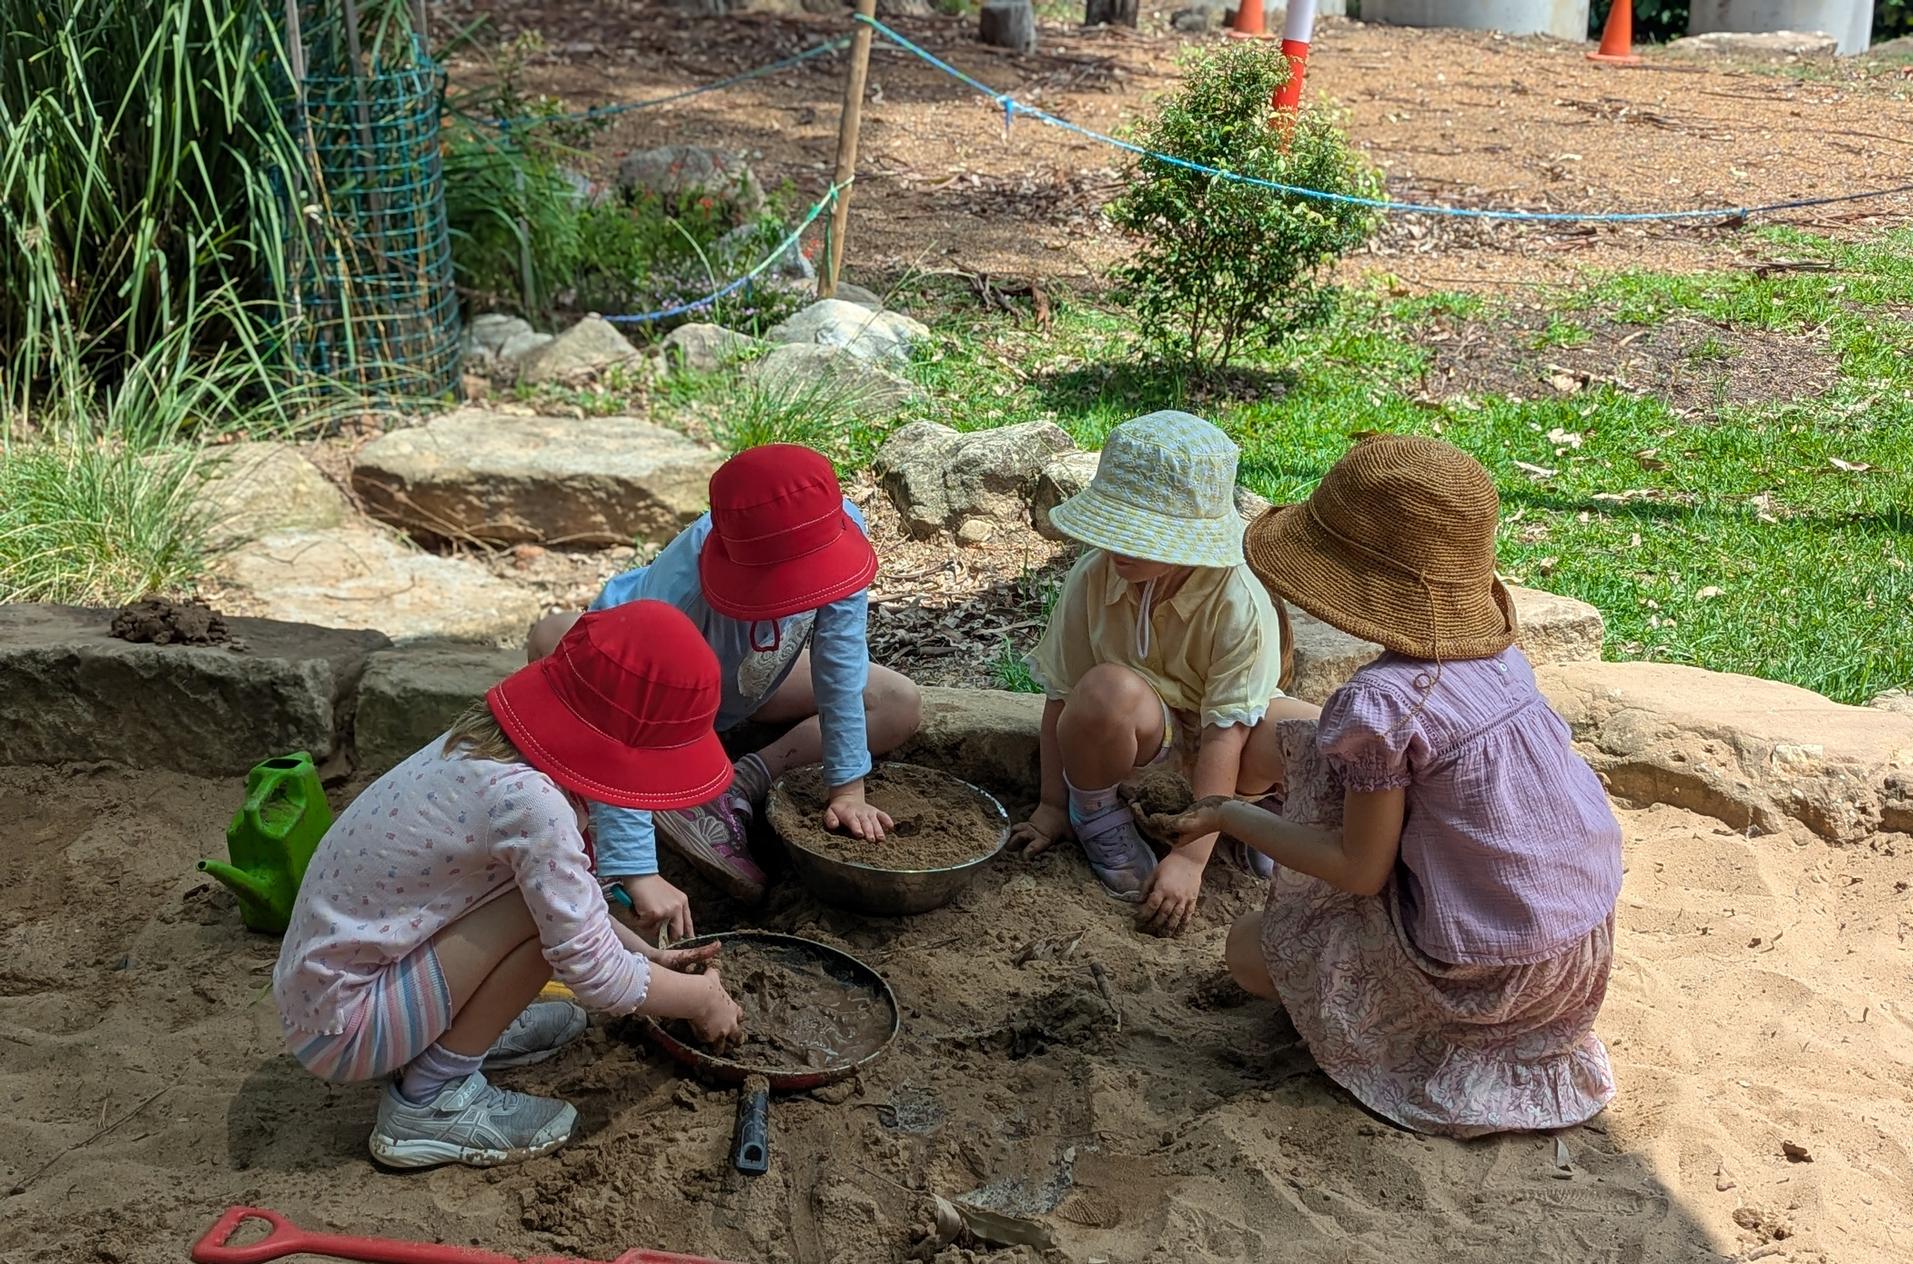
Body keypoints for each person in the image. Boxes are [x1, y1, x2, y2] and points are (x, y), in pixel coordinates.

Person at [1158, 435, 1622, 1137]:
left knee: (1249, 950)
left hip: (1491, 981)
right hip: (1577, 956)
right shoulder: (1499, 660)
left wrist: (1226, 813)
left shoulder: (1381, 703)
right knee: (1289, 733)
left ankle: (1398, 1032)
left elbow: (1359, 868)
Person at [274, 602, 745, 1169]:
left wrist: (642, 951)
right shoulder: (532, 804)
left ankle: (464, 1025)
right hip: (345, 1026)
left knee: (541, 906)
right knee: (536, 918)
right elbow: (589, 970)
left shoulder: (494, 745)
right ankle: (431, 1101)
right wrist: (701, 1000)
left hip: (327, 985)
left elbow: (566, 901)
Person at [527, 444, 921, 940]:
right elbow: (620, 707)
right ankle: (674, 793)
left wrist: (847, 789)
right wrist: (635, 868)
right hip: (654, 695)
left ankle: (741, 782)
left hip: (749, 680)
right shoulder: (678, 594)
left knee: (896, 702)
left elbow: (840, 665)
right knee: (551, 640)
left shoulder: (836, 531)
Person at [1009, 410, 1310, 935]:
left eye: (1138, 535)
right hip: (1143, 748)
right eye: (1113, 528)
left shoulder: (1238, 602)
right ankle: (1096, 815)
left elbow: (1228, 733)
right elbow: (1062, 695)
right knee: (1104, 690)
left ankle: (1262, 823)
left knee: (1313, 731)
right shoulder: (1093, 578)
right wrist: (1051, 806)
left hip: (1231, 759)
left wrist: (1190, 859)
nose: (1117, 548)